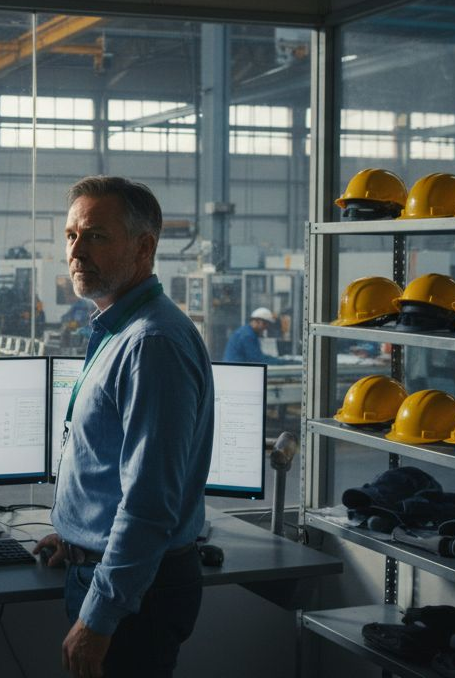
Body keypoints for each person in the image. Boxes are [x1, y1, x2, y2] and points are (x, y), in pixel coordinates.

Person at [34, 176, 214, 678]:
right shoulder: (119, 330)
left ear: (143, 248)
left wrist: (100, 616)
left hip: (135, 596)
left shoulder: (150, 344)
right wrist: (76, 535)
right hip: (103, 568)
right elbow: (111, 466)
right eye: (71, 235)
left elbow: (150, 504)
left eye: (95, 236)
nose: (76, 251)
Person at [222, 306, 292, 364]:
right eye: (265, 324)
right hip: (236, 371)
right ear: (259, 321)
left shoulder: (247, 332)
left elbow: (257, 357)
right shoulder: (247, 335)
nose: (266, 328)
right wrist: (283, 362)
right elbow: (257, 359)